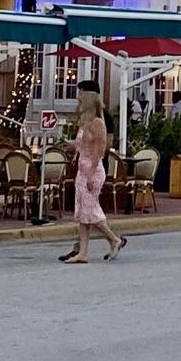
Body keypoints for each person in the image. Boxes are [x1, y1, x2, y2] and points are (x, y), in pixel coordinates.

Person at [61, 82, 126, 264]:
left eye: (81, 95)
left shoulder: (98, 122)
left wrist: (90, 173)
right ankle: (83, 252)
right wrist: (74, 146)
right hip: (82, 169)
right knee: (83, 213)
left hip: (92, 170)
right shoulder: (85, 121)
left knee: (91, 210)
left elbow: (99, 148)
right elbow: (85, 145)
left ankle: (114, 239)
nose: (78, 98)